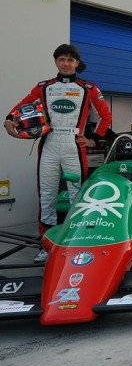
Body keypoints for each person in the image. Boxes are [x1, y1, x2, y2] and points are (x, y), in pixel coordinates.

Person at [4, 44, 112, 263]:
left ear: (76, 63)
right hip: (50, 143)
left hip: (74, 145)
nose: (66, 63)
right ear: (55, 62)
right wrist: (9, 120)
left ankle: (77, 241)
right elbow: (22, 106)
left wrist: (94, 139)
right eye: (62, 59)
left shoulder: (89, 87)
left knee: (77, 194)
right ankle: (47, 244)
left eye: (70, 60)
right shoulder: (44, 87)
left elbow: (106, 116)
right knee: (47, 194)